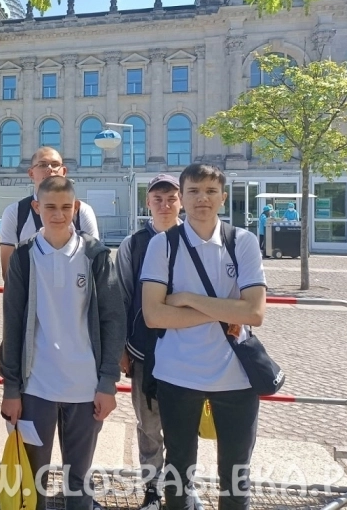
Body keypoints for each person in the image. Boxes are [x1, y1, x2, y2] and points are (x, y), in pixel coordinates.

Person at [140, 163, 267, 510]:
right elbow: (154, 315)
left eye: (210, 191)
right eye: (194, 191)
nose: (202, 199)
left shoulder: (242, 242)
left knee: (236, 476)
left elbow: (254, 312)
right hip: (177, 375)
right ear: (182, 197)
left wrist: (187, 299)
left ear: (223, 197)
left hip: (235, 376)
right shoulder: (162, 246)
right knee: (178, 474)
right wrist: (226, 310)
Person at [0, 176, 126, 510]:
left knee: (78, 482)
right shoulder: (25, 257)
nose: (58, 214)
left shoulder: (95, 255)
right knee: (34, 480)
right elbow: (12, 323)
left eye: (66, 207)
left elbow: (113, 318)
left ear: (77, 208)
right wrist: (11, 387)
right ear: (36, 207)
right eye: (50, 207)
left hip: (85, 388)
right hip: (36, 386)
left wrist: (108, 382)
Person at [115, 174, 182, 510]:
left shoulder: (193, 239)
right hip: (145, 350)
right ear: (148, 203)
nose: (165, 205)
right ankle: (153, 488)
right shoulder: (134, 243)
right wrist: (123, 348)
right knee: (149, 424)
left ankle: (181, 487)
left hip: (187, 350)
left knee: (181, 425)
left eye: (171, 198)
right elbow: (122, 297)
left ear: (180, 201)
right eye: (158, 199)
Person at [0, 146, 100, 270]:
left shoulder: (83, 211)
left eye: (55, 164)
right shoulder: (14, 213)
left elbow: (96, 264)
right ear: (31, 173)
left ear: (63, 172)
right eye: (42, 165)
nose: (50, 169)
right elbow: (8, 273)